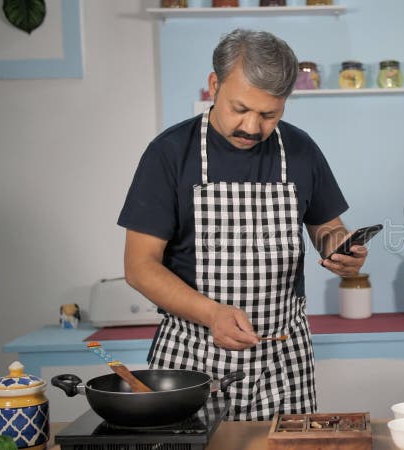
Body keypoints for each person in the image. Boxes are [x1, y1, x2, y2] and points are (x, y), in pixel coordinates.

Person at [118, 29, 367, 421]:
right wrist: (211, 313)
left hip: (282, 360)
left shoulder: (300, 149)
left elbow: (327, 229)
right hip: (190, 358)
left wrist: (342, 250)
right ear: (214, 84)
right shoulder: (169, 154)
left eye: (269, 114)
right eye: (240, 109)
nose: (252, 127)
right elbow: (139, 266)